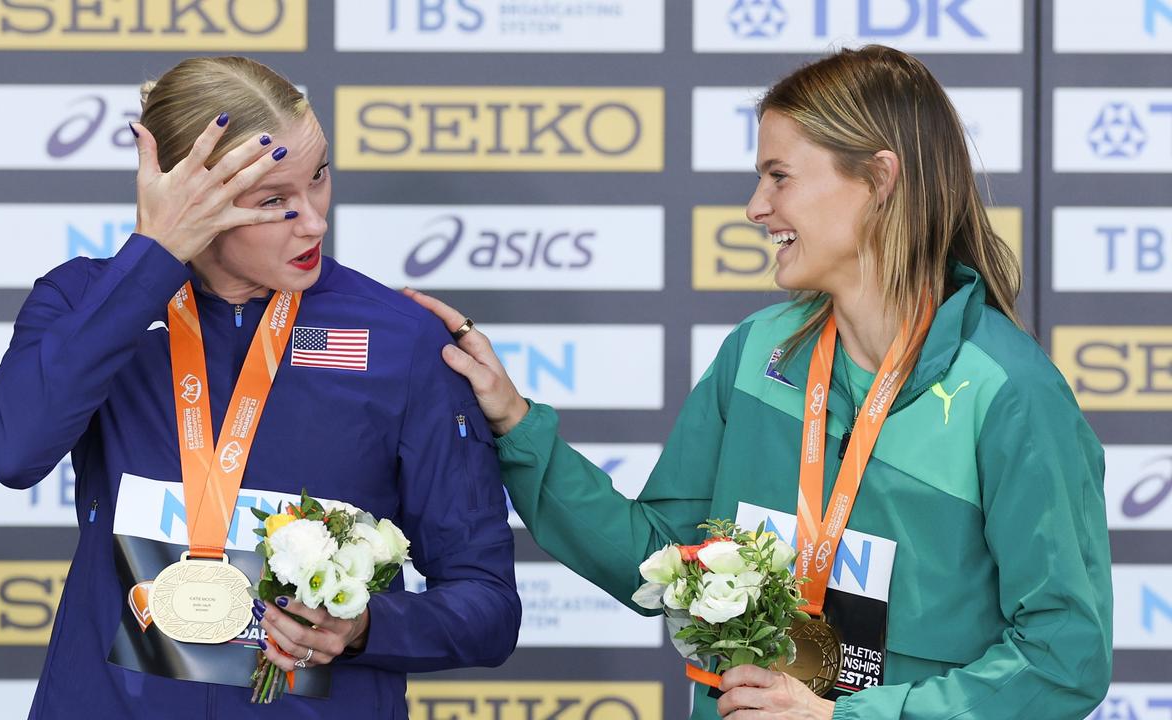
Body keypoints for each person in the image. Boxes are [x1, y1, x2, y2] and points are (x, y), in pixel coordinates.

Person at [408, 45, 1112, 720]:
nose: (755, 207)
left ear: (879, 180)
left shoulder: (1009, 391)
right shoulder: (759, 351)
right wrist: (515, 422)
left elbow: (1061, 657)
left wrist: (845, 716)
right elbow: (660, 559)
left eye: (780, 177)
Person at [0, 56, 520, 719]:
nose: (314, 220)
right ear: (186, 200)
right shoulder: (90, 302)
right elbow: (11, 452)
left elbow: (487, 604)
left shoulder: (398, 338)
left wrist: (368, 628)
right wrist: (151, 262)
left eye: (318, 178)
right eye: (273, 201)